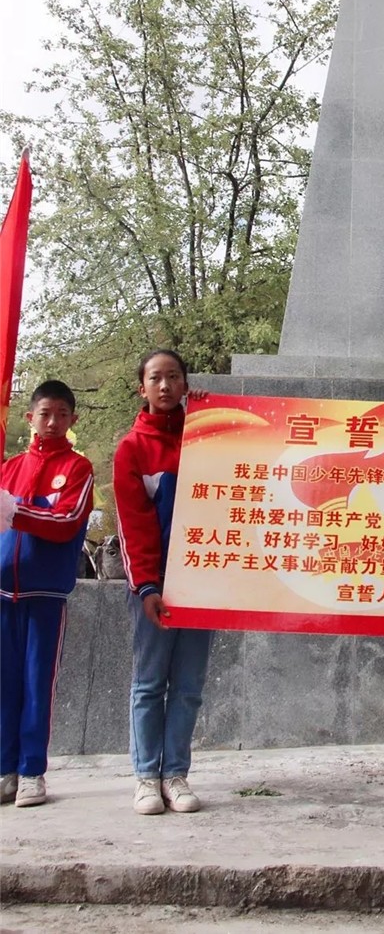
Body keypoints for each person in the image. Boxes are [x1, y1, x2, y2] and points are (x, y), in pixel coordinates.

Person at [114, 349, 213, 816]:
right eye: (156, 378)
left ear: (185, 385)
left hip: (202, 580)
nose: (166, 385)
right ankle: (145, 777)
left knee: (189, 686)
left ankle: (175, 774)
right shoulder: (132, 449)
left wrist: (211, 412)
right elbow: (133, 526)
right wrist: (147, 587)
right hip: (154, 587)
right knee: (150, 683)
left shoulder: (206, 437)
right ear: (143, 388)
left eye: (174, 377)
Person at [0, 381, 94, 808]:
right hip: (3, 592)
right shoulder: (9, 468)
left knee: (37, 683)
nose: (52, 422)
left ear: (73, 419)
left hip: (45, 594)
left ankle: (31, 772)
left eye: (61, 414)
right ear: (29, 418)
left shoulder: (77, 469)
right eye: (45, 414)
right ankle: (5, 769)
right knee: (4, 684)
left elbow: (66, 522)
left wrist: (15, 511)